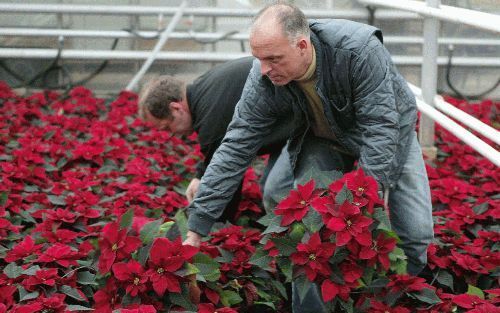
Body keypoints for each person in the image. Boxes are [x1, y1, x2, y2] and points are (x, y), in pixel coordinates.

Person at [184, 2, 434, 281]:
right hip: (322, 136)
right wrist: (197, 226)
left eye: (273, 58)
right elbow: (236, 143)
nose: (263, 69)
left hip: (388, 130)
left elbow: (380, 131)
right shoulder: (263, 75)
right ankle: (308, 275)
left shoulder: (357, 52)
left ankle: (411, 282)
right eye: (258, 58)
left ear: (302, 46)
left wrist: (360, 209)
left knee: (415, 228)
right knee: (279, 194)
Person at [138, 57, 291, 222]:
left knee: (276, 191)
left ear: (176, 108)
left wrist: (214, 228)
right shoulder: (202, 90)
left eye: (167, 127)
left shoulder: (210, 116)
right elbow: (218, 148)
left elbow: (227, 177)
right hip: (288, 120)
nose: (172, 134)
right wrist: (200, 176)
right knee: (269, 187)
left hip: (305, 123)